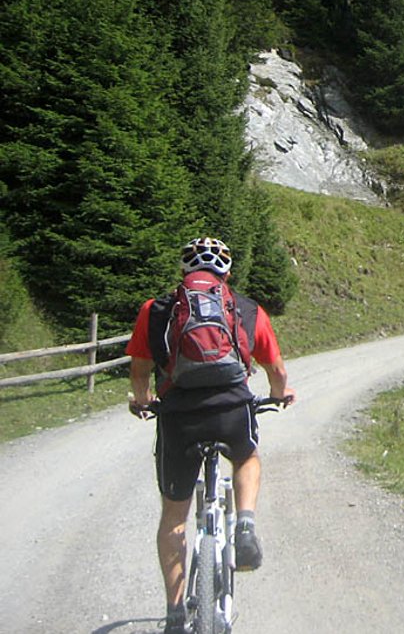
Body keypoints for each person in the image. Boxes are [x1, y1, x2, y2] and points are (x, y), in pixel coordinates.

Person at [127, 237, 295, 634]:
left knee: (174, 515)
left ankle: (173, 615)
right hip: (231, 409)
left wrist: (142, 399)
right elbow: (277, 370)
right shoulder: (247, 308)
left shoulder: (156, 310)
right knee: (247, 457)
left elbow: (138, 371)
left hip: (179, 417)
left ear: (184, 271)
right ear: (227, 273)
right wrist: (279, 393)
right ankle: (246, 525)